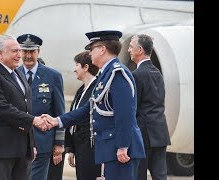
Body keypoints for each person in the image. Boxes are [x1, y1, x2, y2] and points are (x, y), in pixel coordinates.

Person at [42, 30, 146, 180]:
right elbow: (89, 108)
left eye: (92, 49)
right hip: (110, 147)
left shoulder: (118, 73)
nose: (90, 53)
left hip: (120, 149)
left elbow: (125, 112)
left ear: (102, 49)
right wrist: (57, 121)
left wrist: (123, 146)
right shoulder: (106, 74)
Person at [0, 34, 48, 180]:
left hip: (23, 148)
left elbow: (26, 108)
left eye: (19, 51)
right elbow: (2, 107)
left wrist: (32, 144)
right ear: (0, 53)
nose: (19, 55)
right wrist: (33, 120)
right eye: (15, 51)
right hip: (2, 149)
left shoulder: (19, 74)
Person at [16, 33, 65, 180]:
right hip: (18, 141)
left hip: (43, 140)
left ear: (39, 52)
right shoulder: (13, 75)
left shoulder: (53, 76)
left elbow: (59, 111)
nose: (28, 56)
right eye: (25, 51)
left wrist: (59, 142)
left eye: (32, 52)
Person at [128, 34, 171, 180]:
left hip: (143, 133)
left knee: (139, 175)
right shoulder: (157, 72)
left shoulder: (137, 75)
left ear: (139, 50)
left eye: (131, 47)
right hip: (160, 131)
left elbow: (133, 107)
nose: (128, 50)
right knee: (160, 176)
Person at [64, 51, 101, 180]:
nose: (74, 69)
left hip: (92, 149)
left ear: (85, 67)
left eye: (77, 65)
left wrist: (58, 121)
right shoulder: (82, 89)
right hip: (80, 147)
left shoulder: (97, 88)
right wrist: (72, 149)